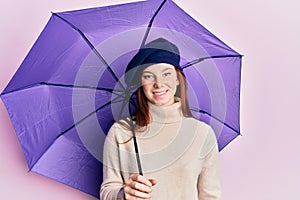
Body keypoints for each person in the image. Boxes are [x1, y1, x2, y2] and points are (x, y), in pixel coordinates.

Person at [100, 38, 221, 200]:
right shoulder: (121, 131)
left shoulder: (202, 133)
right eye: (149, 76)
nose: (158, 84)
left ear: (177, 79)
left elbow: (210, 196)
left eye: (166, 74)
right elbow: (107, 191)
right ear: (140, 83)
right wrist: (123, 194)